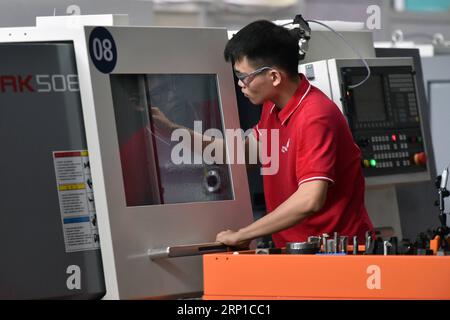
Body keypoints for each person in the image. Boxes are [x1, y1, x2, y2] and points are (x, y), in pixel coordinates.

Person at [215, 20, 374, 248]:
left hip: (336, 253)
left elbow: (310, 200)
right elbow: (243, 154)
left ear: (274, 77)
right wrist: (173, 131)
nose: (240, 85)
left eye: (243, 77)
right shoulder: (272, 107)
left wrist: (244, 234)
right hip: (296, 251)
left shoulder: (315, 116)